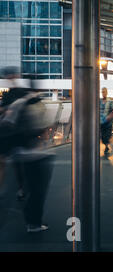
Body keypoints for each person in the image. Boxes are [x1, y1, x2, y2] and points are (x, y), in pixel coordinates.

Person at [0, 82, 54, 233]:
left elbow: (6, 123)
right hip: (37, 154)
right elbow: (44, 131)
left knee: (28, 187)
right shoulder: (38, 104)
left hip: (20, 154)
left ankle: (30, 218)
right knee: (38, 190)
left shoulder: (18, 104)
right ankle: (33, 223)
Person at [0, 67, 28, 200]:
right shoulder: (21, 92)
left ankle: (19, 188)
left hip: (9, 132)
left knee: (4, 162)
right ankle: (22, 189)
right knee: (17, 164)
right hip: (17, 132)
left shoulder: (10, 94)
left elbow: (4, 111)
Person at [99, 87, 113, 154]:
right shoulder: (99, 101)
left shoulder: (110, 102)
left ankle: (106, 146)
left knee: (107, 134)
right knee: (102, 135)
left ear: (107, 93)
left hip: (107, 121)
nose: (103, 93)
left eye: (104, 92)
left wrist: (110, 118)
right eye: (102, 92)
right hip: (101, 121)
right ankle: (106, 144)